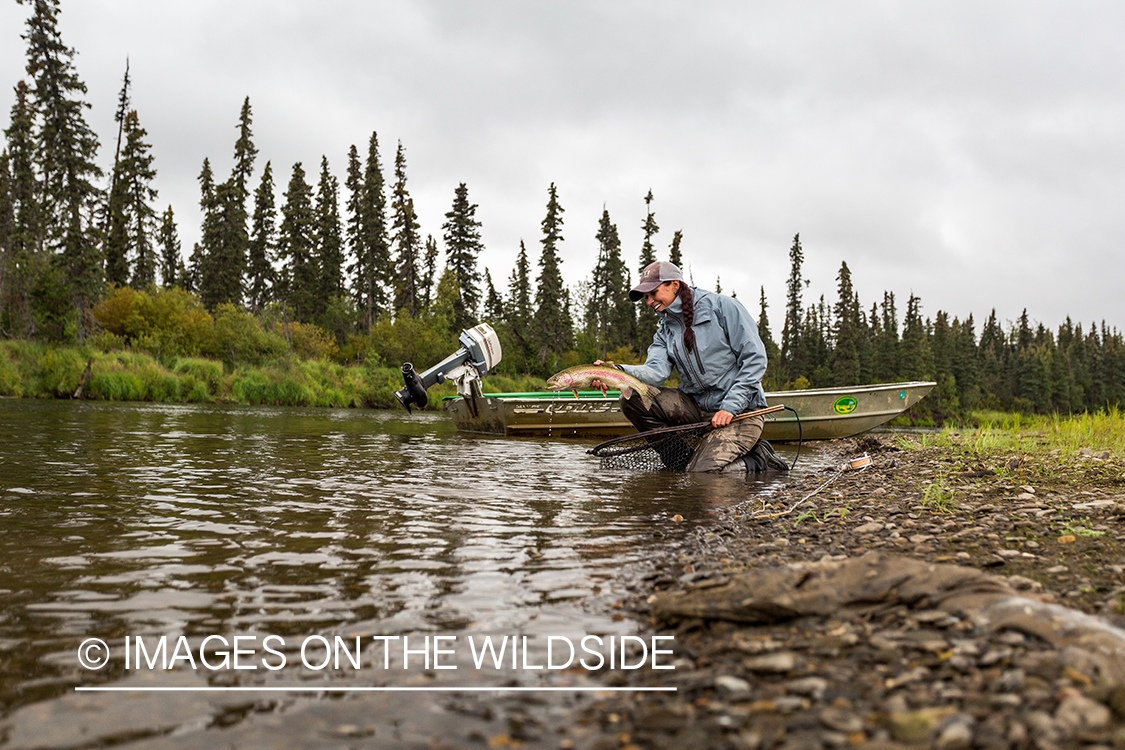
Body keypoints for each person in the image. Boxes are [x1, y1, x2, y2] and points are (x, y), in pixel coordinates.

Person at [596, 261, 782, 473]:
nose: (648, 302)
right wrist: (616, 372)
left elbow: (756, 359)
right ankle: (682, 460)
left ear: (674, 284)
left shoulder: (723, 307)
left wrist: (730, 406)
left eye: (653, 293)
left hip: (742, 412)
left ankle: (759, 461)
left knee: (701, 475)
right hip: (697, 409)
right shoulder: (664, 330)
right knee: (633, 399)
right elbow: (655, 374)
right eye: (645, 297)